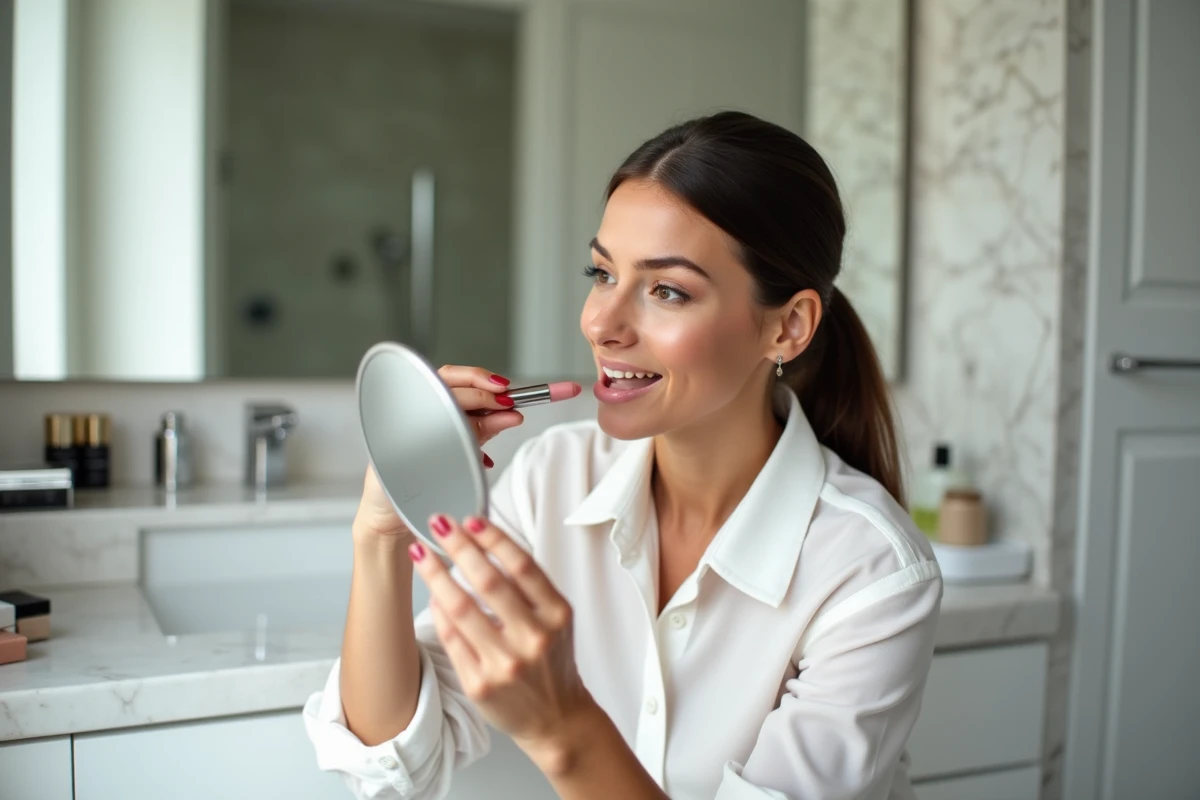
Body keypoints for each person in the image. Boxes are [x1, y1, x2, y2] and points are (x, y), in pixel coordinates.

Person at [304, 111, 942, 800]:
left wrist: (565, 729)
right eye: (601, 272)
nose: (600, 323)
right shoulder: (554, 478)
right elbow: (391, 763)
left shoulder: (872, 572)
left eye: (667, 290)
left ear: (788, 327)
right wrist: (380, 536)